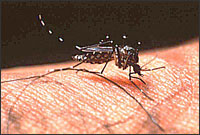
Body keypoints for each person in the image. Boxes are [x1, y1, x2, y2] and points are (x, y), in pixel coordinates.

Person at [1, 39, 199, 134]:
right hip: (104, 54)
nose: (134, 70)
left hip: (113, 54)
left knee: (115, 50)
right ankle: (85, 56)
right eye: (136, 69)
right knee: (113, 49)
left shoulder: (129, 61)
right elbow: (121, 58)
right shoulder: (125, 58)